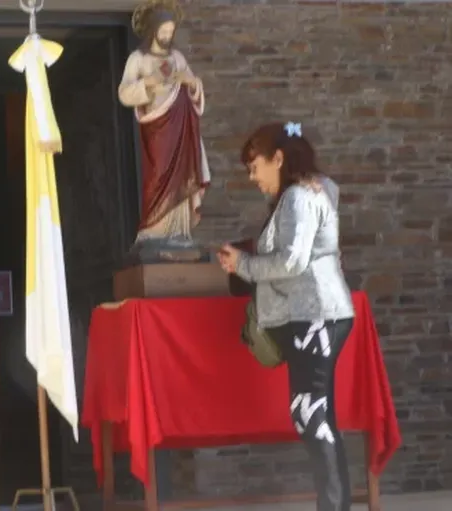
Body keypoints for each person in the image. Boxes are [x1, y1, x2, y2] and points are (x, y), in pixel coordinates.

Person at [217, 122, 355, 511]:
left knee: (311, 415)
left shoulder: (297, 197)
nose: (252, 176)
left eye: (254, 165)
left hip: (315, 316)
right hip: (317, 315)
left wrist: (243, 263)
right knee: (314, 414)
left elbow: (292, 261)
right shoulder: (308, 192)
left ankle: (333, 506)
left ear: (278, 159)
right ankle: (333, 504)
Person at [118, 3, 211, 248]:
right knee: (158, 175)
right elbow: (124, 93)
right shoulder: (138, 59)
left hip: (180, 124)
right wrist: (147, 83)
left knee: (181, 173)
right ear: (152, 30)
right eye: (164, 31)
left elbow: (194, 86)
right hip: (157, 127)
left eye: (171, 32)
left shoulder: (177, 58)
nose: (168, 36)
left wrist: (189, 81)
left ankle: (179, 232)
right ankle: (154, 229)